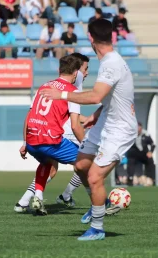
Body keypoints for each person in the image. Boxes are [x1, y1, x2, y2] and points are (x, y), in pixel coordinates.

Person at [40, 18, 137, 241]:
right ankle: (99, 203)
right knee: (81, 164)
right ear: (112, 36)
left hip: (119, 129)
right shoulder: (110, 61)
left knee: (94, 177)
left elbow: (95, 95)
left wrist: (61, 95)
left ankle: (97, 228)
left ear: (91, 39)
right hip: (106, 121)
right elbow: (112, 97)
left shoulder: (111, 63)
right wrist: (96, 114)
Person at [14, 53, 89, 213]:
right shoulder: (73, 91)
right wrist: (87, 148)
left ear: (59, 70)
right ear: (76, 73)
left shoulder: (43, 86)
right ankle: (100, 203)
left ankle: (37, 198)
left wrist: (25, 142)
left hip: (32, 140)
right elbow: (75, 126)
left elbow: (29, 115)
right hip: (50, 140)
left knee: (47, 163)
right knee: (86, 163)